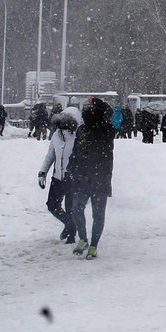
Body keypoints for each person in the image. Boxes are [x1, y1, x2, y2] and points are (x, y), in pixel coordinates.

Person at [68, 97, 117, 259]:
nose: (89, 111)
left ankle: (94, 245)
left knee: (98, 214)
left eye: (92, 108)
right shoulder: (82, 130)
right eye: (88, 108)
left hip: (100, 178)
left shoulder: (107, 130)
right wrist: (71, 167)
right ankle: (83, 239)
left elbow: (112, 129)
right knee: (76, 209)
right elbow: (75, 151)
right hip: (82, 176)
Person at [37, 107, 78, 243]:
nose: (63, 125)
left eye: (66, 122)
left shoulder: (78, 136)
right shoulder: (56, 135)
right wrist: (43, 172)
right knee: (52, 205)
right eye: (61, 122)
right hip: (57, 177)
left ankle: (71, 235)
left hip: (73, 178)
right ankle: (70, 225)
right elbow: (50, 155)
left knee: (70, 207)